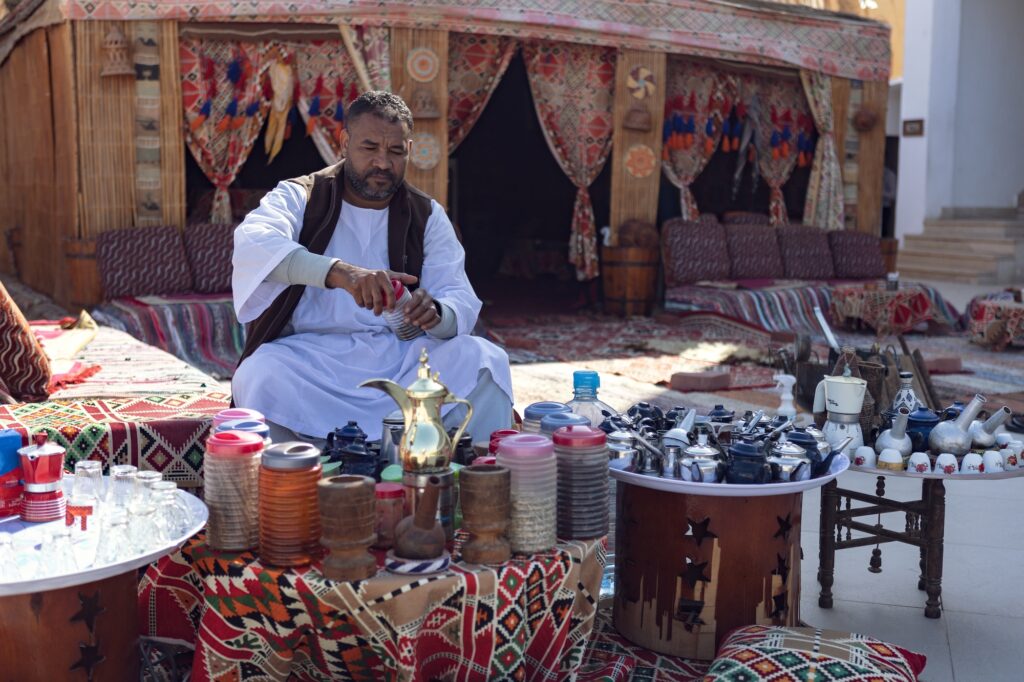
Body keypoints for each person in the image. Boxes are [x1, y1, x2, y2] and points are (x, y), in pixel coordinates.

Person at [231, 91, 513, 444]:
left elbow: (458, 296)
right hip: (312, 360)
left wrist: (436, 313)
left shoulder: (426, 215)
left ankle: (473, 476)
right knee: (260, 373)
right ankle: (303, 481)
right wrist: (343, 274)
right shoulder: (298, 196)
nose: (383, 163)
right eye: (370, 148)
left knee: (484, 359)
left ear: (408, 150)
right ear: (344, 143)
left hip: (400, 358)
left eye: (396, 152)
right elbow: (255, 242)